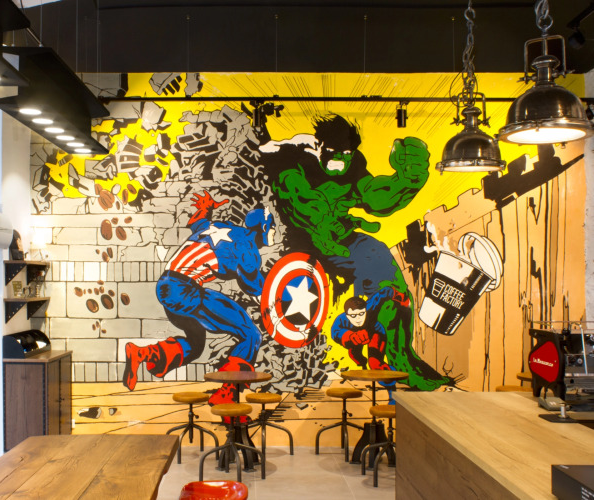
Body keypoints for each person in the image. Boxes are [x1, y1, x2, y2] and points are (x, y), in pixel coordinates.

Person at [261, 113, 450, 390]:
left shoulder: (354, 164)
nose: (341, 160)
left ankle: (396, 359)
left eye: (347, 154)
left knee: (381, 262)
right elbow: (302, 202)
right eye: (334, 152)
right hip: (296, 242)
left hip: (339, 239)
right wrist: (327, 224)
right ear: (319, 146)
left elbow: (372, 195)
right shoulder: (294, 158)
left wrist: (406, 180)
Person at [123, 190, 275, 405]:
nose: (275, 232)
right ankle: (227, 394)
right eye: (273, 227)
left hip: (166, 285)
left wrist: (207, 207)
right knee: (251, 334)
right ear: (264, 227)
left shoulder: (220, 227)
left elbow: (198, 222)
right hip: (185, 290)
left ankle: (144, 353)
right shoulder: (247, 248)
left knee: (195, 346)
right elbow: (256, 288)